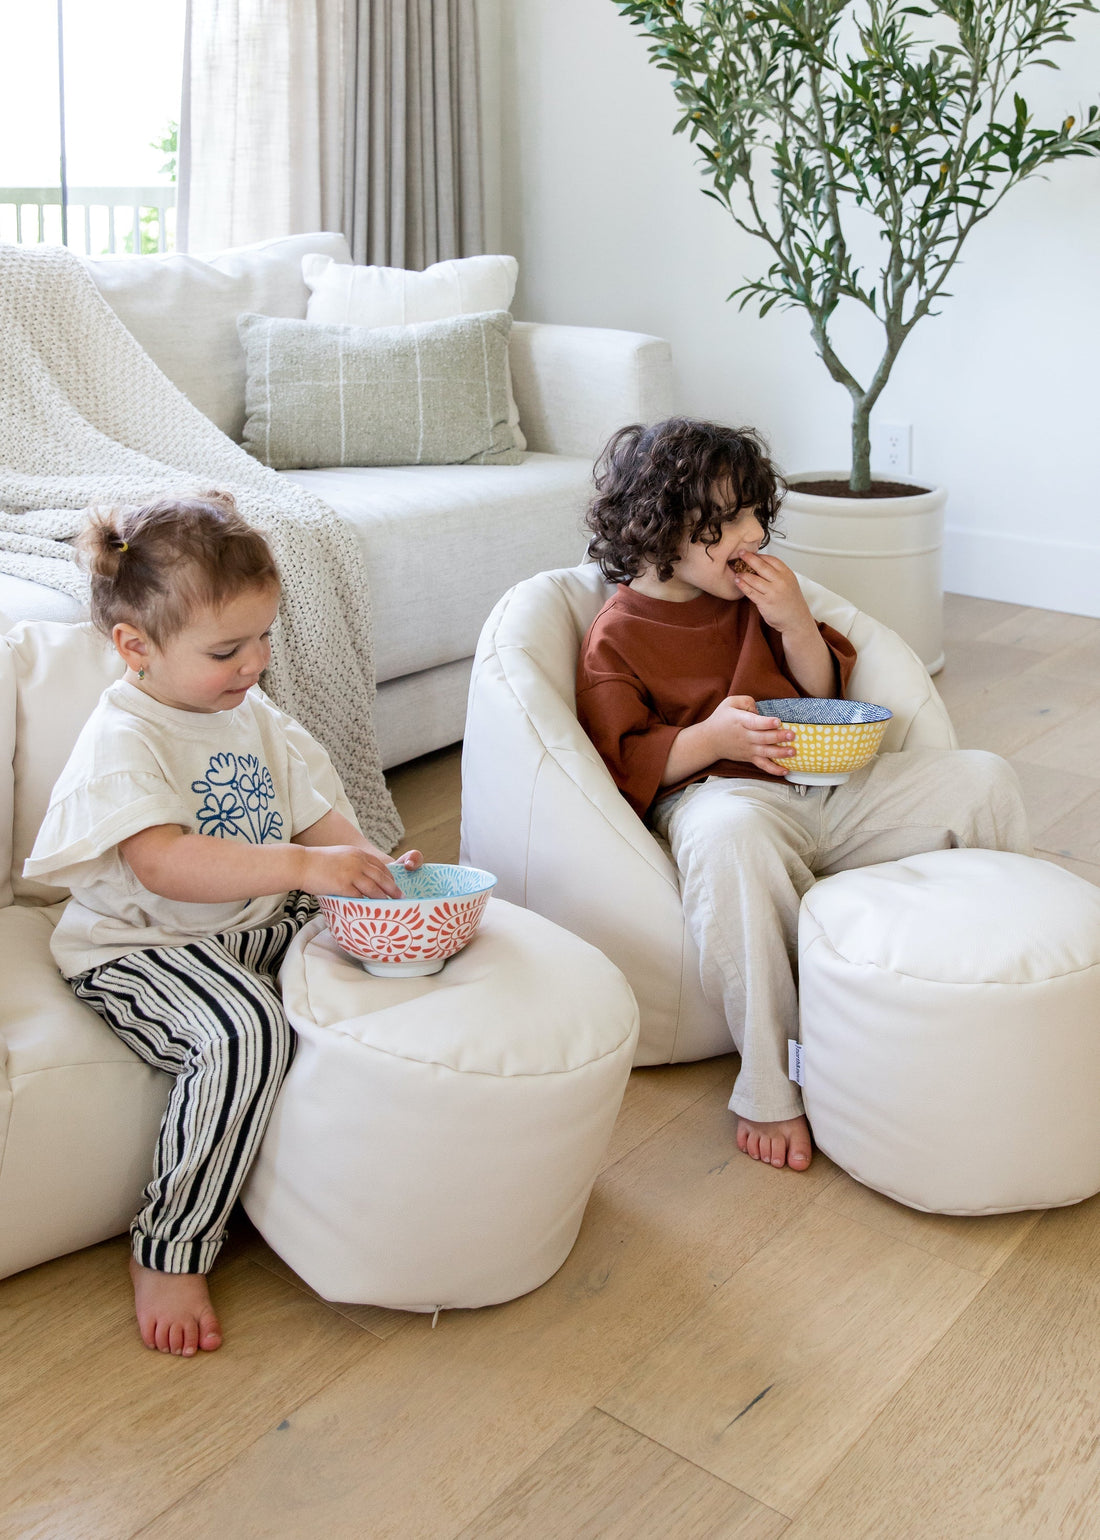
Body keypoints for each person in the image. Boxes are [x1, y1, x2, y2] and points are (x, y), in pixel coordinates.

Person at [576, 418, 1032, 1174]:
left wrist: (793, 623)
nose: (751, 534)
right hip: (725, 804)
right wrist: (710, 741)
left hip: (830, 790)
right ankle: (773, 1079)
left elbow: (821, 693)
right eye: (723, 522)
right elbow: (623, 764)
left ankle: (1009, 984)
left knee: (983, 778)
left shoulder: (759, 596)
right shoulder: (617, 635)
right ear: (657, 531)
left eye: (755, 512)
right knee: (728, 839)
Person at [23, 492, 422, 1357]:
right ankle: (171, 1243)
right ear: (136, 647)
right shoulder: (125, 734)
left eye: (264, 638)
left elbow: (317, 813)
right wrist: (303, 870)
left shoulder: (253, 714)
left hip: (242, 927)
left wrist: (368, 873)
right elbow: (163, 862)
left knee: (383, 957)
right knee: (245, 1034)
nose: (255, 663)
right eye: (225, 650)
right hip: (142, 948)